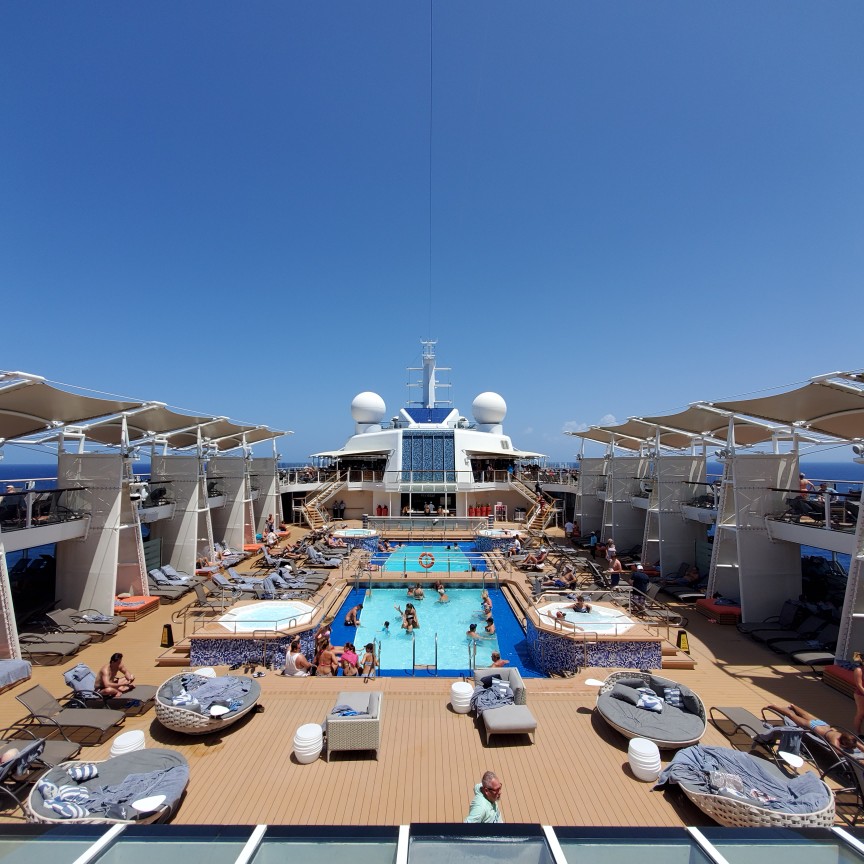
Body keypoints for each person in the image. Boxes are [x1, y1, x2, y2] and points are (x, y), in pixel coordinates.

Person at [767, 703, 864, 755]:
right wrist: (848, 752)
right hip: (814, 726)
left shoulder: (845, 736)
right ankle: (774, 707)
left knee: (806, 715)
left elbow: (859, 745)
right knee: (791, 715)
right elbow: (838, 752)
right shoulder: (835, 739)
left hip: (823, 725)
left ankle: (793, 706)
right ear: (842, 743)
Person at [854, 653, 864, 736]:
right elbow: (859, 685)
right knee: (861, 713)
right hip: (861, 694)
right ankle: (858, 733)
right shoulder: (859, 670)